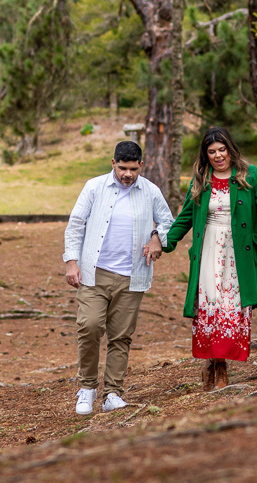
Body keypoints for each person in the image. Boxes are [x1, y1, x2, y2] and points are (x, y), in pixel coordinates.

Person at [161, 127, 257, 390]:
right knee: (211, 306)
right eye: (212, 152)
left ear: (230, 149)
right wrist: (165, 242)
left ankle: (220, 361)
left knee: (232, 308)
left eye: (222, 150)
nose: (218, 156)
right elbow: (185, 216)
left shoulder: (249, 174)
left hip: (238, 252)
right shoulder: (201, 179)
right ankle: (217, 367)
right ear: (205, 155)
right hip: (208, 248)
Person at [63, 140, 174, 415]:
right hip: (94, 273)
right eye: (122, 168)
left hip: (132, 275)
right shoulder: (94, 187)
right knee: (89, 327)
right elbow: (76, 224)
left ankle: (113, 392)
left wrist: (158, 237)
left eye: (133, 169)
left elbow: (168, 221)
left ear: (141, 166)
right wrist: (71, 262)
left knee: (121, 336)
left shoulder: (150, 191)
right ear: (113, 164)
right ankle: (87, 387)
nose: (127, 174)